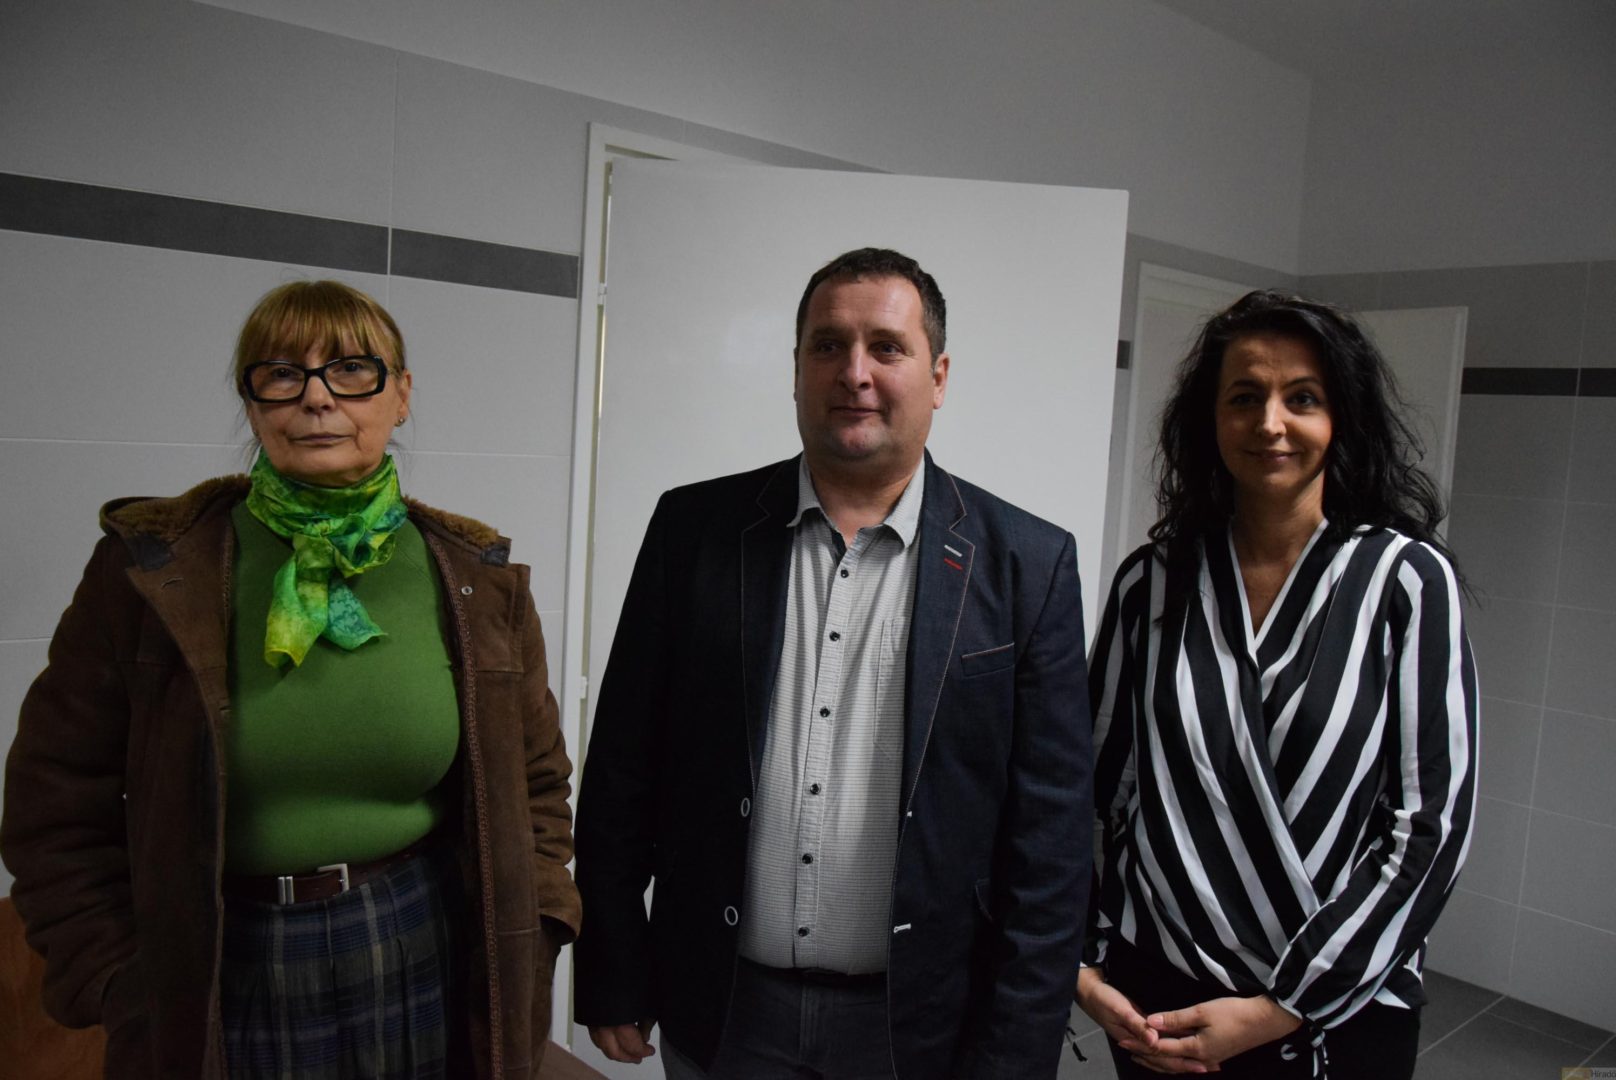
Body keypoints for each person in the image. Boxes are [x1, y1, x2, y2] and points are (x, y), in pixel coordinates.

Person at [1, 280, 581, 1079]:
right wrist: (114, 977)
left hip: (423, 944)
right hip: (216, 964)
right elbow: (54, 799)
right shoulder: (151, 570)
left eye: (351, 370)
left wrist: (538, 926)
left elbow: (539, 783)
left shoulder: (474, 576)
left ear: (401, 395)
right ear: (252, 403)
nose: (316, 397)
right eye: (281, 373)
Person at [573, 247, 1093, 1079]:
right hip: (726, 1008)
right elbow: (621, 773)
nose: (855, 373)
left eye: (886, 347)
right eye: (828, 346)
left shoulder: (1028, 565)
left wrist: (1016, 1054)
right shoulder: (693, 531)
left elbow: (1052, 847)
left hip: (921, 1029)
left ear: (939, 376)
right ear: (796, 370)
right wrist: (612, 967)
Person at [1076, 290, 1478, 1079]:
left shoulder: (1404, 582)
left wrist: (1281, 1007)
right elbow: (1092, 790)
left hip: (1338, 1006)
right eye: (1244, 397)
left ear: (1342, 418)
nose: (1270, 423)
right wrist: (1083, 959)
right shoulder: (1151, 584)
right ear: (1210, 420)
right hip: (1162, 1000)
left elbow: (1431, 827)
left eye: (1302, 398)